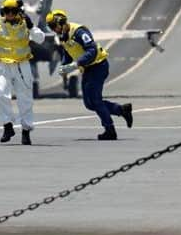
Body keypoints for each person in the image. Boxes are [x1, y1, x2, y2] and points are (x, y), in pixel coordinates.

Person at [46, 9, 133, 140]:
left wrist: (76, 64)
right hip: (88, 69)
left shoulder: (78, 32)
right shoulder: (63, 35)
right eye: (50, 27)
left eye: (53, 26)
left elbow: (92, 50)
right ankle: (121, 110)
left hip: (98, 66)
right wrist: (64, 67)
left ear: (62, 22)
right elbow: (68, 52)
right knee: (89, 104)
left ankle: (110, 130)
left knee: (96, 101)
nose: (53, 29)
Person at [0, 0, 45, 145]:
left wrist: (32, 27)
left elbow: (40, 39)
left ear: (18, 12)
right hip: (1, 64)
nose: (10, 14)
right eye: (7, 11)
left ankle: (26, 131)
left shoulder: (26, 25)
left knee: (25, 99)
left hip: (21, 64)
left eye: (13, 11)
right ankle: (7, 126)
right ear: (2, 12)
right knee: (0, 95)